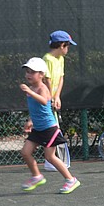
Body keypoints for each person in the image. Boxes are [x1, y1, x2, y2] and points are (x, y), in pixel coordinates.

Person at [19, 57, 80, 194]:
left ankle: (71, 180)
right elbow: (37, 110)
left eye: (32, 72)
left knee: (50, 157)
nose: (28, 75)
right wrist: (31, 121)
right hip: (38, 129)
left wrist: (30, 92)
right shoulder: (31, 88)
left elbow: (43, 101)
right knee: (25, 152)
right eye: (27, 71)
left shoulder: (42, 88)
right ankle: (36, 176)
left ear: (41, 74)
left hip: (49, 129)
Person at [43, 30, 76, 114]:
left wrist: (57, 96)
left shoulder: (61, 59)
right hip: (45, 98)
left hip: (53, 98)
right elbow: (47, 80)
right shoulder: (47, 59)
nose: (67, 49)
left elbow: (61, 78)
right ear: (62, 45)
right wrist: (51, 98)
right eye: (67, 46)